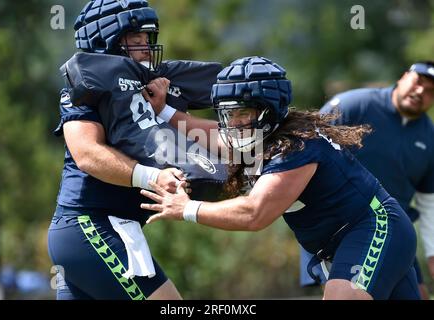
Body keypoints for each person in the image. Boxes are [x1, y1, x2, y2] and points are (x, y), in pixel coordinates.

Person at [140, 56, 421, 300]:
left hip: (373, 229)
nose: (235, 123)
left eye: (243, 113)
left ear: (269, 110)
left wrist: (186, 208)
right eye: (229, 114)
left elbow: (254, 213)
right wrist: (164, 111)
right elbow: (217, 137)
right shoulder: (267, 135)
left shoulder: (296, 147)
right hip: (350, 239)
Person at [48, 0, 190, 300]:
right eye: (137, 41)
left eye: (147, 40)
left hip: (105, 230)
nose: (147, 49)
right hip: (89, 226)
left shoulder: (145, 94)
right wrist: (153, 178)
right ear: (106, 44)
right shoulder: (81, 89)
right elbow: (87, 153)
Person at [300, 61, 434, 299]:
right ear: (403, 77)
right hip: (340, 232)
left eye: (431, 91)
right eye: (418, 82)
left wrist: (432, 255)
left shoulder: (430, 137)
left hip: (393, 231)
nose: (421, 92)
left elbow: (429, 202)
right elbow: (303, 154)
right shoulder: (354, 105)